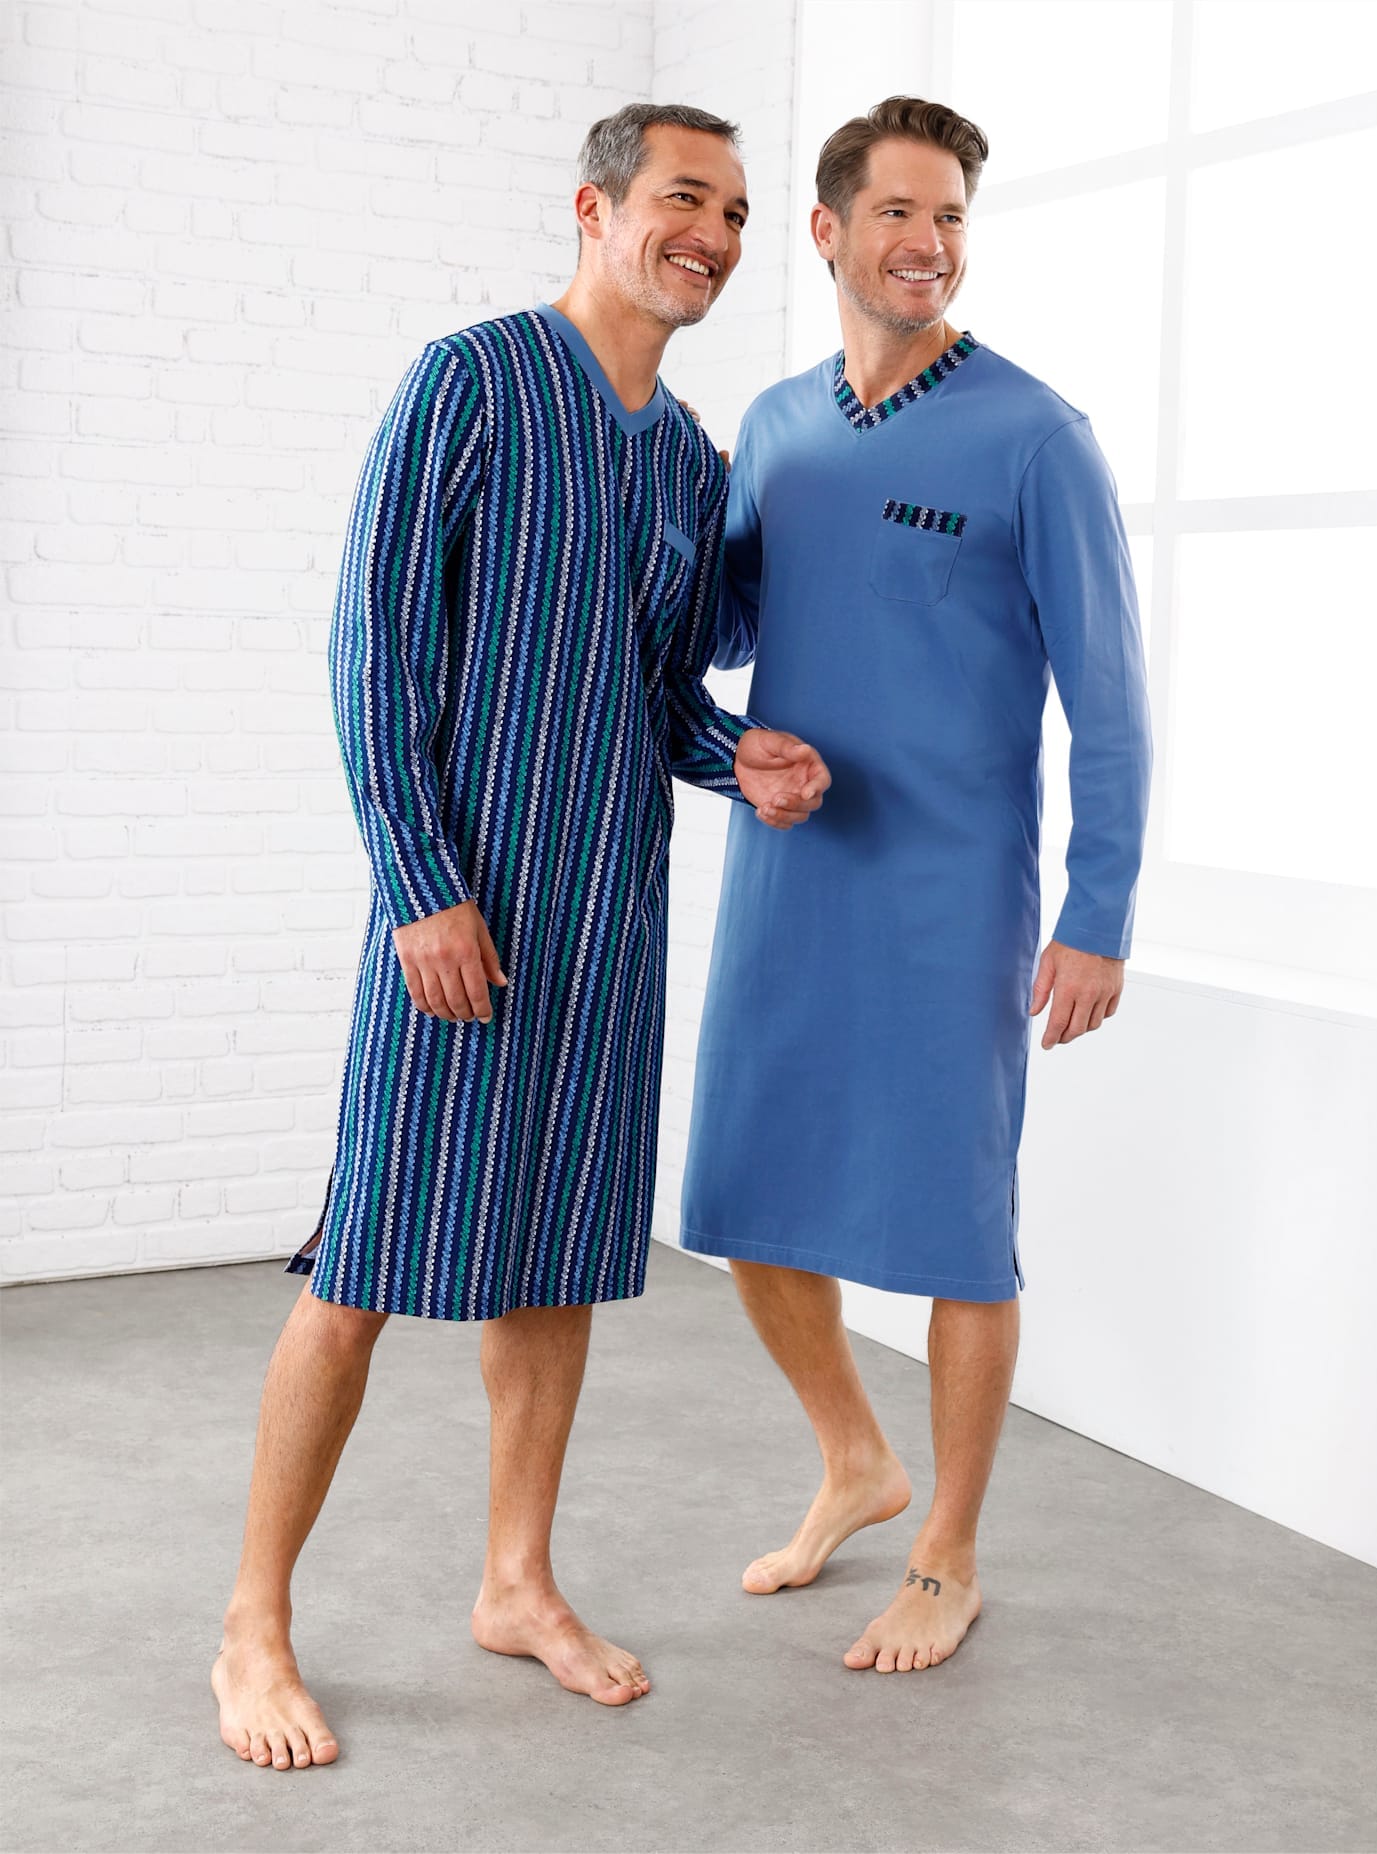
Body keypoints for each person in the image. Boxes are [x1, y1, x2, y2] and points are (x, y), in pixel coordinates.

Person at [212, 101, 830, 1770]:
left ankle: (516, 1580)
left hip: (606, 922)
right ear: (596, 208)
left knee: (556, 1260)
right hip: (458, 919)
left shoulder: (688, 459)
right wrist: (419, 881)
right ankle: (253, 1622)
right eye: (685, 197)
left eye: (738, 211)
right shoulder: (470, 382)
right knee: (362, 1265)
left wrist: (740, 757)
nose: (713, 233)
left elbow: (658, 691)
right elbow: (373, 644)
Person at [681, 95, 1152, 1675]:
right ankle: (854, 1460)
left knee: (958, 1229)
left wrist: (1099, 910)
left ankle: (947, 1550)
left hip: (954, 898)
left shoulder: (1037, 437)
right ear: (827, 231)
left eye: (949, 216)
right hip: (790, 873)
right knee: (744, 1194)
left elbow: (1112, 702)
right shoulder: (775, 425)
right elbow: (723, 630)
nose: (927, 244)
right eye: (897, 212)